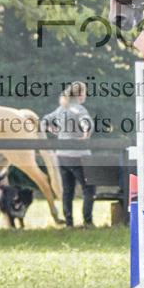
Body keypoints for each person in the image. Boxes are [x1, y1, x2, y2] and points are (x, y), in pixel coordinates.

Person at [43, 81, 95, 228]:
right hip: (78, 155)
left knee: (68, 190)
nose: (85, 95)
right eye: (84, 92)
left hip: (62, 155)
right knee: (88, 188)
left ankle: (69, 222)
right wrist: (85, 135)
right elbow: (87, 123)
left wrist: (55, 131)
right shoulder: (79, 109)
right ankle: (88, 221)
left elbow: (44, 121)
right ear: (79, 94)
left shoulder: (60, 109)